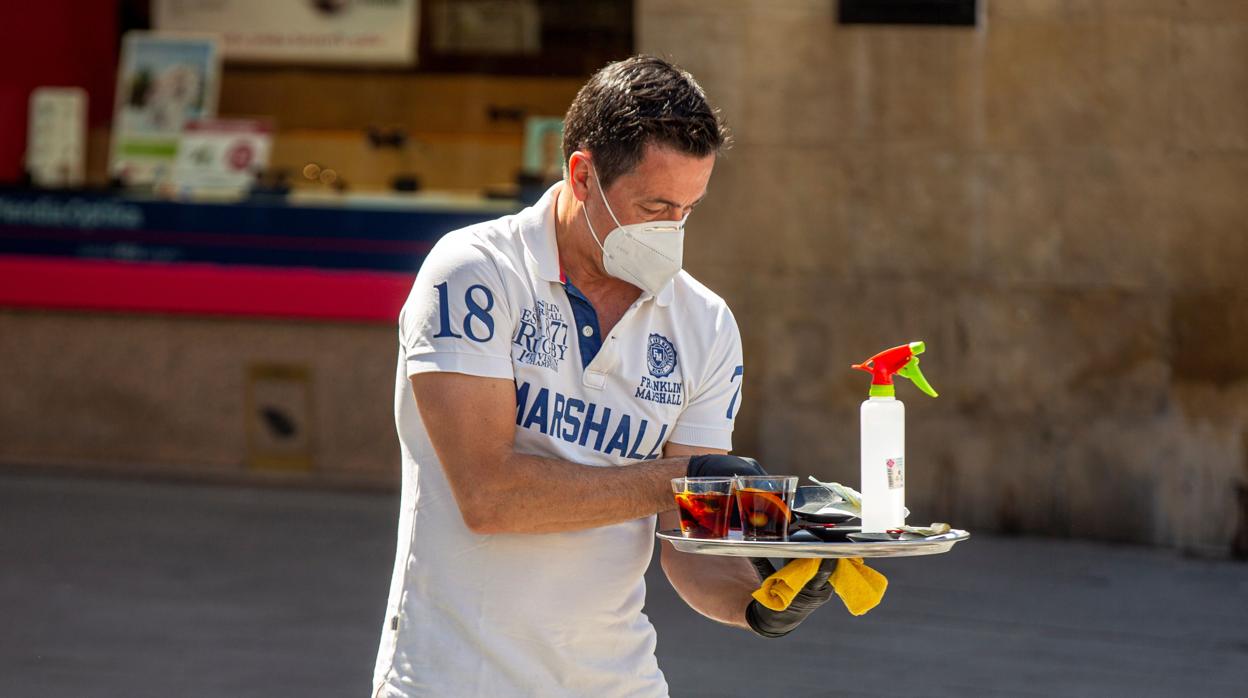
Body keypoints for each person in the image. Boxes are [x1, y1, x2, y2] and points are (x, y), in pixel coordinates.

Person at [372, 55, 837, 698]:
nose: (671, 231)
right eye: (654, 206)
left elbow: (683, 538)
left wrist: (759, 601)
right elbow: (490, 496)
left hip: (619, 681)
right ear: (583, 176)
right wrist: (684, 483)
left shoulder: (702, 321)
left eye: (688, 209)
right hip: (454, 679)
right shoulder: (475, 272)